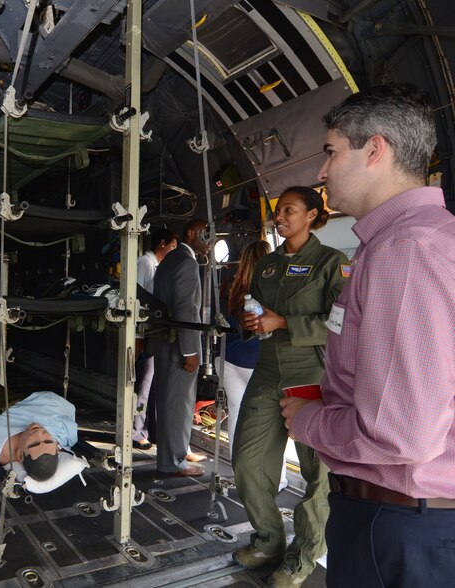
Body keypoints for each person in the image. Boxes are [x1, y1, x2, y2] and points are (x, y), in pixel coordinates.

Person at [281, 84, 455, 588]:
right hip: (426, 525)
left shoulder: (408, 252)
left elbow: (401, 433)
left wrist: (311, 421)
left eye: (331, 152)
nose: (322, 172)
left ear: (375, 150)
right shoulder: (424, 241)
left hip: (411, 532)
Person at [231, 186, 348, 588]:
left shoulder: (332, 263)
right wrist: (254, 324)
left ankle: (303, 558)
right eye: (278, 211)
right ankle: (268, 540)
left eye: (289, 210)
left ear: (313, 215)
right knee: (247, 460)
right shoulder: (268, 266)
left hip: (311, 375)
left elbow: (343, 324)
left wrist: (283, 323)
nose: (279, 217)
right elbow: (259, 311)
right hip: (267, 371)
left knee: (317, 476)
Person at [221, 240, 287, 491]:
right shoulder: (270, 287)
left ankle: (241, 473)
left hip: (229, 359)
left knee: (237, 416)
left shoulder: (236, 287)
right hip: (257, 361)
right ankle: (275, 478)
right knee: (271, 421)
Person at [147, 219, 210, 477]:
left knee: (167, 401)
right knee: (178, 404)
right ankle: (173, 461)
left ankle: (176, 450)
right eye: (207, 235)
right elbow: (185, 308)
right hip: (178, 344)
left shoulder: (169, 260)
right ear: (192, 233)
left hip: (164, 340)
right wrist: (191, 351)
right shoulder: (186, 262)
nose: (210, 242)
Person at [133, 227, 178, 449]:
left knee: (148, 382)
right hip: (143, 331)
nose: (173, 250)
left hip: (151, 331)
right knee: (143, 383)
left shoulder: (156, 267)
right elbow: (136, 300)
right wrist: (138, 335)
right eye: (172, 246)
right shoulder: (144, 263)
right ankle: (135, 431)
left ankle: (145, 429)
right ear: (162, 243)